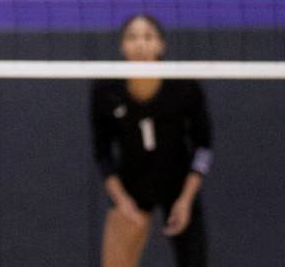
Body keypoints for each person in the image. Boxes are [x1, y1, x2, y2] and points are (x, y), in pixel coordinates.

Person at [91, 14, 212, 267]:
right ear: (122, 46)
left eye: (148, 36)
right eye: (132, 37)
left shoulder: (184, 86)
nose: (140, 44)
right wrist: (123, 202)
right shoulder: (106, 89)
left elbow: (203, 145)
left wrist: (186, 199)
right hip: (131, 185)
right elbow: (102, 154)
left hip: (177, 185)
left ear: (161, 45)